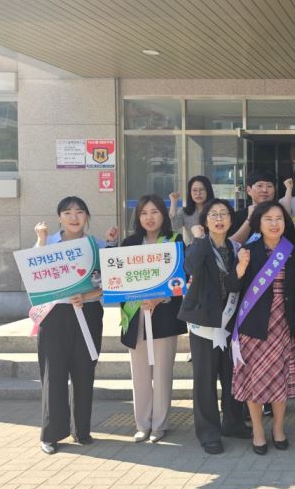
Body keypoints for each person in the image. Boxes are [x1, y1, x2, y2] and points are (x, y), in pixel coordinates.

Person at [32, 196, 118, 455]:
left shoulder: (97, 245)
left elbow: (111, 282)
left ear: (87, 216)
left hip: (88, 313)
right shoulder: (48, 243)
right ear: (59, 217)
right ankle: (51, 434)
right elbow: (34, 277)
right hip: (55, 315)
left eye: (80, 212)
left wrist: (87, 295)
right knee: (54, 373)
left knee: (84, 371)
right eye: (67, 212)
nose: (74, 217)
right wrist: (41, 240)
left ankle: (81, 430)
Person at [232, 202, 295, 455]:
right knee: (253, 380)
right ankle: (257, 430)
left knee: (279, 380)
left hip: (283, 325)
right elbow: (233, 288)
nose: (274, 224)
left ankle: (278, 428)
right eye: (268, 219)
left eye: (279, 219)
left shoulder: (292, 251)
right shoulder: (248, 251)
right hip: (253, 326)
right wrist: (240, 269)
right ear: (259, 223)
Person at [178, 199, 252, 454]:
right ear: (205, 221)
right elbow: (189, 267)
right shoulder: (199, 245)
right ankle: (208, 431)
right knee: (205, 378)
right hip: (204, 323)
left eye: (224, 214)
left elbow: (235, 285)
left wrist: (240, 270)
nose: (219, 219)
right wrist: (199, 240)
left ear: (231, 220)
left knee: (232, 374)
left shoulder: (236, 248)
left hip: (230, 321)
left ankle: (233, 422)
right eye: (213, 214)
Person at [120, 195, 186, 444]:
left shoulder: (174, 241)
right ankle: (142, 424)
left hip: (164, 316)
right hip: (135, 315)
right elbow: (118, 279)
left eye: (155, 212)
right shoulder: (129, 244)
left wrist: (159, 299)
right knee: (139, 374)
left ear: (163, 215)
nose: (149, 217)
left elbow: (180, 281)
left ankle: (159, 425)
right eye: (144, 213)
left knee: (162, 373)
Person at [230, 170, 277, 245]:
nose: (265, 190)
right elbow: (231, 246)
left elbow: (291, 245)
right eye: (260, 186)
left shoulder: (281, 215)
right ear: (249, 190)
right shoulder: (237, 217)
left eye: (269, 186)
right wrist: (249, 219)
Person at [169, 175, 214, 246]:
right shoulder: (185, 211)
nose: (198, 193)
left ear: (208, 191)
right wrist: (173, 202)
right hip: (194, 249)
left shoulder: (216, 209)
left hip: (214, 249)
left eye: (201, 189)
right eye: (194, 190)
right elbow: (174, 226)